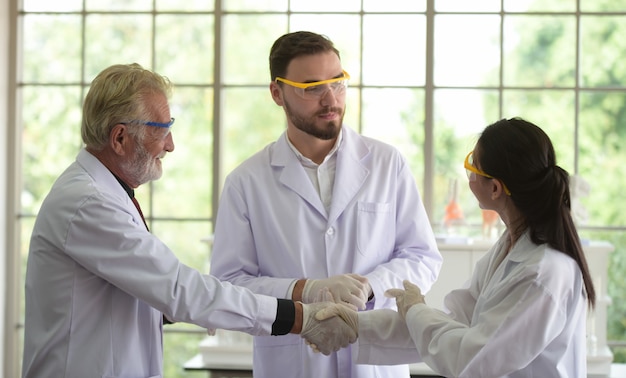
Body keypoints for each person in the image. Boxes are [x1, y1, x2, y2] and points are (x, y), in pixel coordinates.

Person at [21, 63, 355, 378]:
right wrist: (300, 316)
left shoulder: (110, 195)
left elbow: (159, 292)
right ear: (120, 138)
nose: (171, 145)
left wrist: (200, 304)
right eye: (161, 130)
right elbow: (179, 290)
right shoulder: (87, 202)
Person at [209, 30, 442, 378]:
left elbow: (422, 257)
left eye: (337, 82)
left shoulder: (386, 163)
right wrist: (305, 290)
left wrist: (371, 286)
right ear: (277, 93)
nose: (330, 99)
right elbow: (228, 283)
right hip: (291, 364)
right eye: (312, 87)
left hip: (373, 364)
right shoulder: (246, 182)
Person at [313, 117, 597, 378]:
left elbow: (471, 358)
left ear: (495, 188)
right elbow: (451, 326)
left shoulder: (543, 274)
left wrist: (414, 310)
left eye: (473, 164)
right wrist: (356, 325)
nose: (468, 175)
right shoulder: (509, 249)